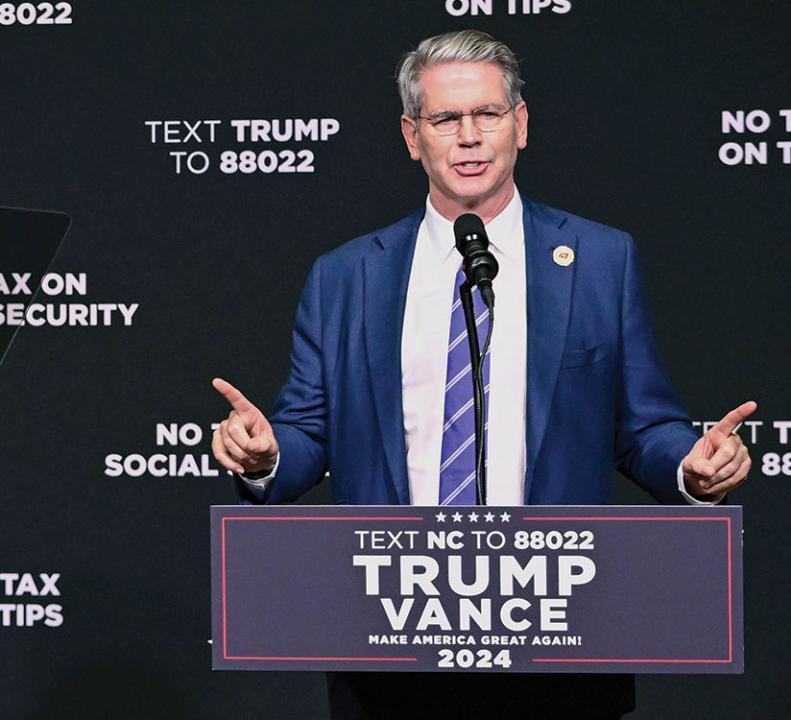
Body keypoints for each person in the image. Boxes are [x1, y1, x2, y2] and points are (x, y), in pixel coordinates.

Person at [211, 29, 754, 720]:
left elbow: (642, 425)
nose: (468, 137)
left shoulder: (599, 260)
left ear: (520, 125)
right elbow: (306, 434)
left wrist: (692, 467)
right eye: (445, 119)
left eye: (487, 115)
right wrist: (265, 456)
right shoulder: (346, 276)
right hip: (391, 638)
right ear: (413, 136)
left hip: (560, 635)